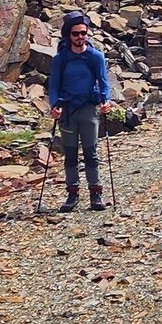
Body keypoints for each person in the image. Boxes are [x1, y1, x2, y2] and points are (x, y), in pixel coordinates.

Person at [46, 11, 112, 212]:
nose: (80, 37)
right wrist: (54, 106)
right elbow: (53, 85)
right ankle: (72, 194)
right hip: (67, 111)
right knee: (70, 154)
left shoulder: (95, 57)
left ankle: (95, 194)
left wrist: (106, 100)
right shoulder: (60, 59)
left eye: (83, 33)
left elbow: (103, 82)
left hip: (88, 109)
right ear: (69, 35)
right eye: (76, 34)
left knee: (91, 153)